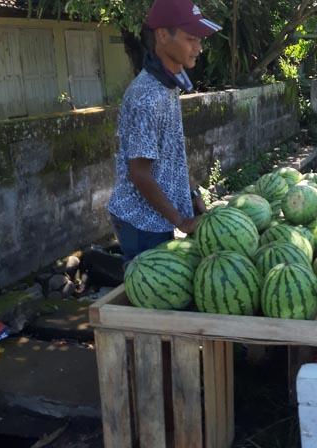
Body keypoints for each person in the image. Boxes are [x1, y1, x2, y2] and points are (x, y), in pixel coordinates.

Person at [107, 0, 222, 262]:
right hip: (141, 221)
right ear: (162, 35)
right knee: (148, 293)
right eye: (191, 38)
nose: (199, 48)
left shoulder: (167, 86)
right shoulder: (145, 97)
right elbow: (139, 173)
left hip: (156, 217)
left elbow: (170, 155)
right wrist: (180, 220)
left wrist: (191, 195)